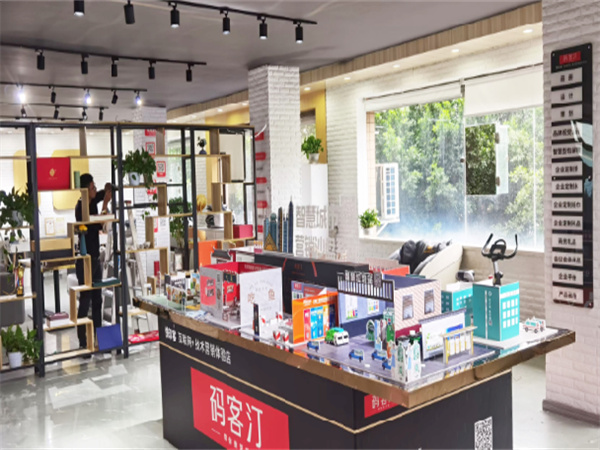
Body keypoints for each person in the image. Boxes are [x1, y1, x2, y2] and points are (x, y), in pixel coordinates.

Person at [75, 174, 112, 351]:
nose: (95, 189)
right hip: (85, 262)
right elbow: (97, 226)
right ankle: (83, 341)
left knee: (97, 300)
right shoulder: (81, 208)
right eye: (92, 187)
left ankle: (99, 339)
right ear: (85, 190)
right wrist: (104, 206)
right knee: (85, 300)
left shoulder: (91, 201)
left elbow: (102, 193)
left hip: (95, 259)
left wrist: (107, 190)